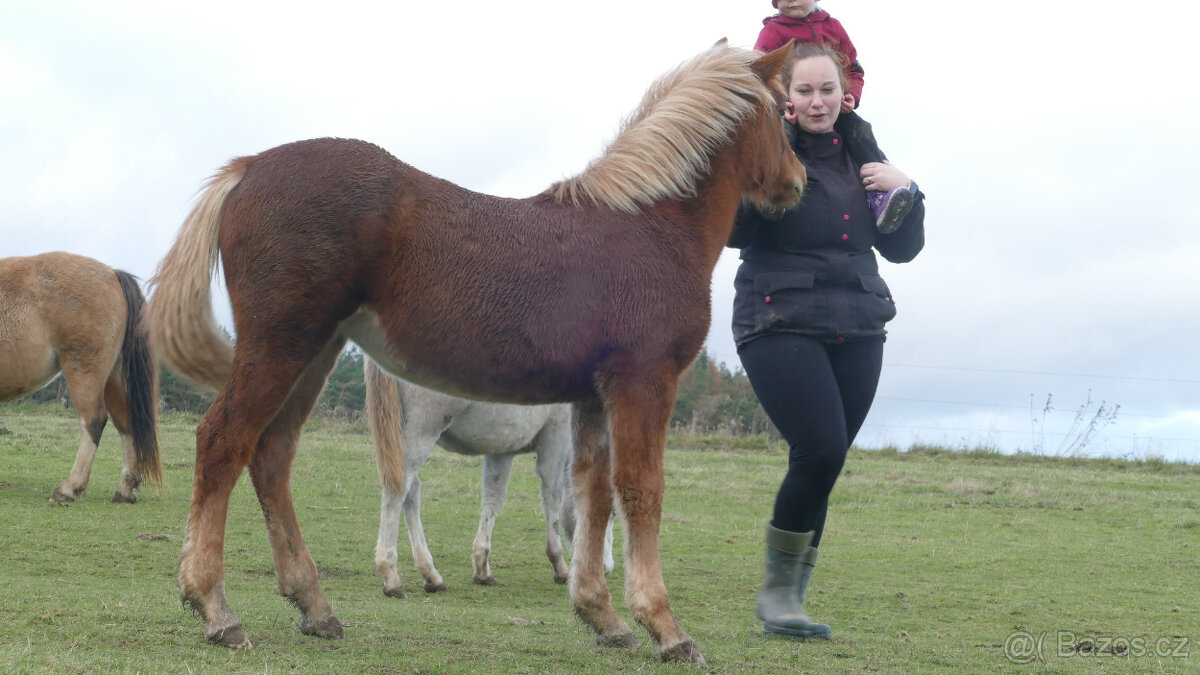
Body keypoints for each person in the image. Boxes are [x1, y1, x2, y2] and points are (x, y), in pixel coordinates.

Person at [728, 41, 925, 639]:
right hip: (777, 318)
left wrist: (908, 191)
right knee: (819, 449)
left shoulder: (865, 158)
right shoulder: (766, 149)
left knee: (826, 460)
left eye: (827, 90)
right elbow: (735, 232)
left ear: (845, 95)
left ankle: (790, 599)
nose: (818, 101)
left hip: (859, 321)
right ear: (786, 100)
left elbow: (902, 249)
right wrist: (759, 178)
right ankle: (778, 597)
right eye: (805, 91)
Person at [754, 0, 913, 232]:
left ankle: (879, 196)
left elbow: (853, 69)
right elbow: (760, 74)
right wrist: (781, 102)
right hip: (788, 110)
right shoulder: (773, 31)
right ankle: (774, 193)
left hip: (835, 108)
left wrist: (850, 95)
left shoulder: (833, 27)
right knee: (782, 139)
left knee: (862, 132)